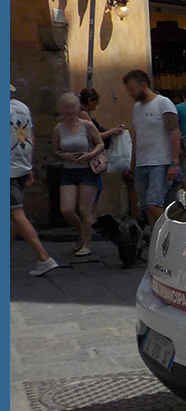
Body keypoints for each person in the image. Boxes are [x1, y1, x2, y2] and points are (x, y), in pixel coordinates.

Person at [10, 85, 58, 276]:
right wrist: (29, 165)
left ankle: (44, 258)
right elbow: (30, 137)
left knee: (16, 214)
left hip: (7, 168)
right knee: (12, 216)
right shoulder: (22, 107)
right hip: (21, 165)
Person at [52, 91, 105, 256]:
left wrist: (90, 155)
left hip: (87, 171)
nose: (70, 110)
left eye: (73, 106)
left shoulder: (86, 125)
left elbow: (100, 144)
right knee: (66, 209)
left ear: (77, 107)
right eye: (66, 107)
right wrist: (63, 155)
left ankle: (86, 246)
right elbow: (55, 150)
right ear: (62, 108)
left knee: (84, 209)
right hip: (69, 171)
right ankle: (81, 234)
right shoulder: (58, 129)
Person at [126, 70, 180, 226]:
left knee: (153, 204)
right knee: (146, 207)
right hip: (142, 163)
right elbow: (136, 136)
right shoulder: (137, 108)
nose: (130, 93)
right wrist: (132, 164)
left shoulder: (164, 103)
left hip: (160, 161)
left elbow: (174, 131)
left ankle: (170, 235)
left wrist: (174, 162)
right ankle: (155, 239)